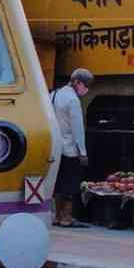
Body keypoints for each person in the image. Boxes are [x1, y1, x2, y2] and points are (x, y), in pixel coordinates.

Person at [51, 68, 93, 228]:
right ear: (76, 81)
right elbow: (78, 129)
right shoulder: (73, 99)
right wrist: (82, 152)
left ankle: (57, 216)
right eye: (86, 84)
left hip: (55, 148)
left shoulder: (54, 94)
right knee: (71, 185)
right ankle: (67, 218)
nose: (86, 88)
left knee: (59, 184)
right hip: (70, 150)